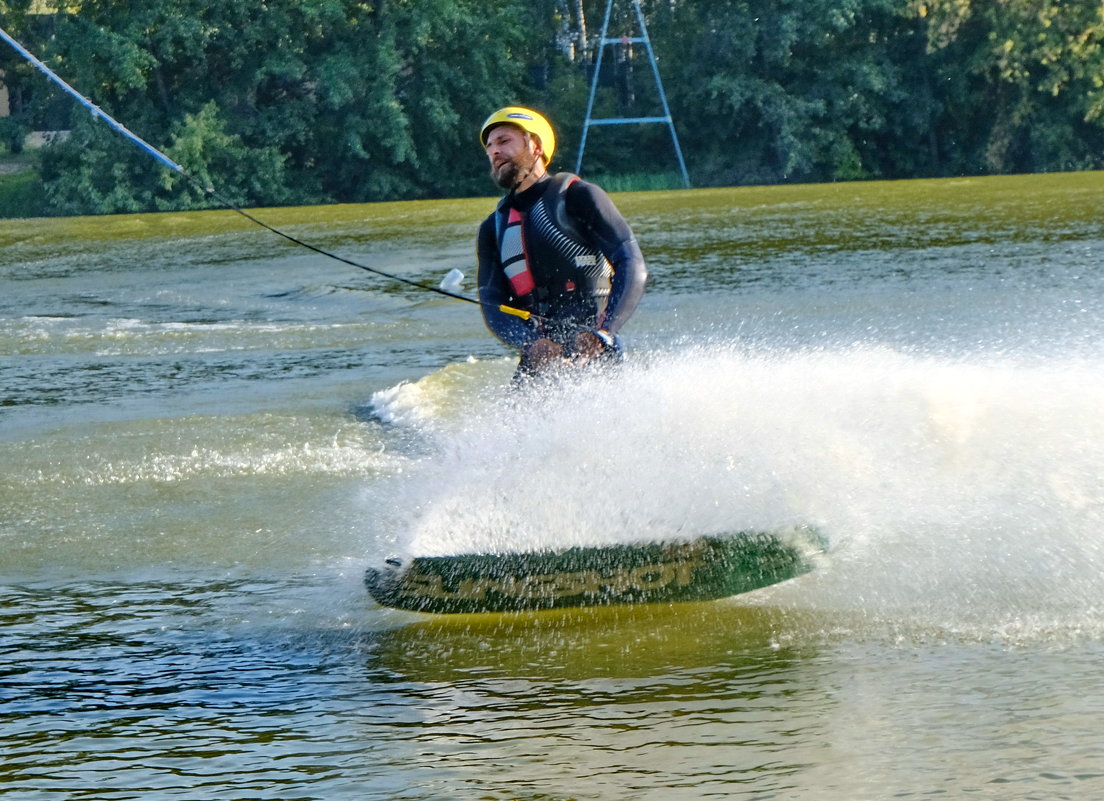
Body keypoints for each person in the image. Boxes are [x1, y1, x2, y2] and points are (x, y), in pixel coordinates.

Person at [476, 106, 647, 379]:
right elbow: (491, 303)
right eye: (489, 146)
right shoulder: (491, 229)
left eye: (504, 141)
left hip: (595, 346)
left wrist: (604, 333)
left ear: (536, 146)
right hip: (540, 355)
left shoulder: (579, 197)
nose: (494, 151)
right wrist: (530, 343)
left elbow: (632, 263)